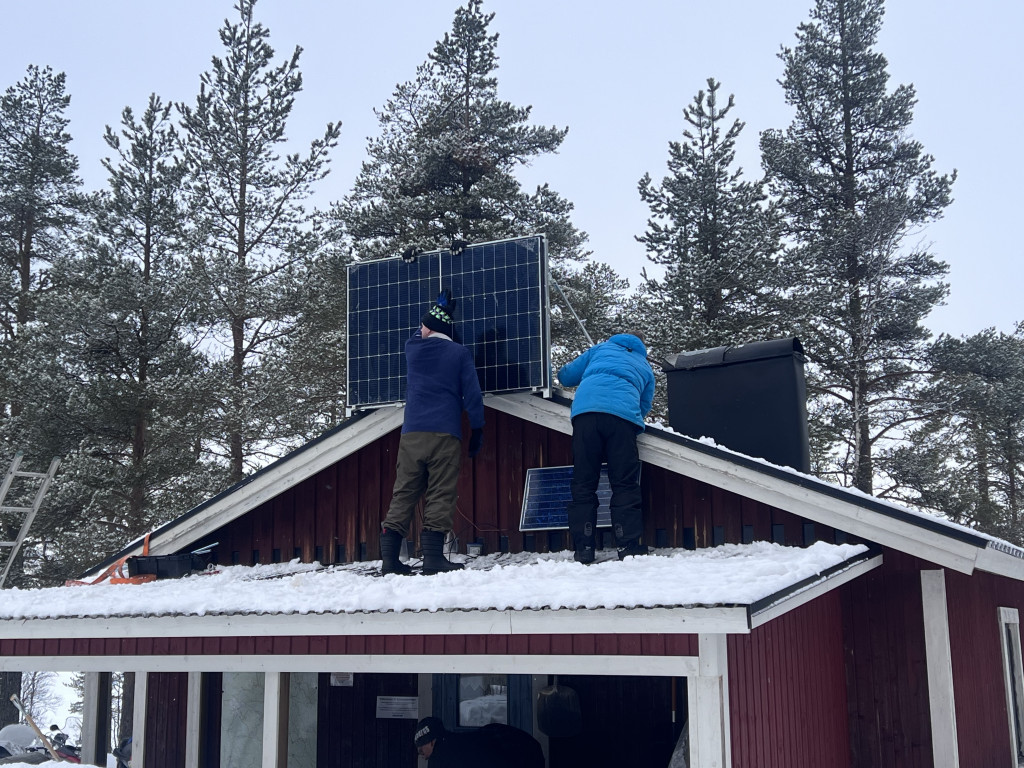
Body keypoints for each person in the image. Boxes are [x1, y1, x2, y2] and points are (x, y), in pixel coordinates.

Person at [380, 289, 485, 575]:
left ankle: (389, 560)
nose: (422, 328)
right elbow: (473, 396)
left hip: (412, 433)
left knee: (403, 493)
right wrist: (477, 429)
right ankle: (433, 559)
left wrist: (437, 309)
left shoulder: (412, 348)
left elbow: (421, 331)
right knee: (440, 494)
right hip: (444, 433)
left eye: (425, 325)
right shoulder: (459, 353)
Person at [557, 330, 656, 563]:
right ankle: (627, 545)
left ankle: (584, 548)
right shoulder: (645, 366)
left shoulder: (600, 349)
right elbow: (644, 405)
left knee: (583, 481)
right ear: (642, 345)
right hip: (622, 421)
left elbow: (567, 376)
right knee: (624, 482)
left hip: (586, 416)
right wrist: (630, 419)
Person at [413, 716, 544, 768]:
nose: (421, 754)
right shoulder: (456, 743)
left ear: (431, 742)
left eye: (421, 749)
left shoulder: (441, 758)